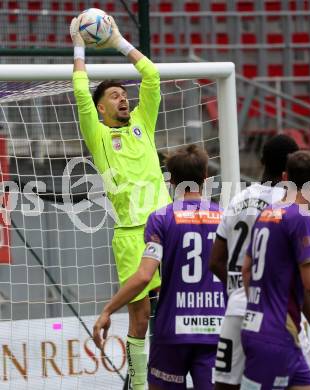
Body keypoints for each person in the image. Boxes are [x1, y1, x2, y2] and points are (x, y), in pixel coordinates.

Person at [70, 14, 170, 389]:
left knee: (182, 305)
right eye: (114, 96)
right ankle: (139, 383)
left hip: (167, 227)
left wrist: (118, 41)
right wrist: (79, 46)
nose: (123, 98)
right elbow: (81, 92)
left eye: (124, 94)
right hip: (131, 234)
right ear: (100, 109)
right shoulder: (97, 136)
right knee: (141, 317)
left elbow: (153, 76)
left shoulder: (145, 120)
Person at [93, 144, 226, 389]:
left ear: (172, 180)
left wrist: (108, 310)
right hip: (215, 330)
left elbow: (144, 276)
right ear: (206, 176)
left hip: (172, 331)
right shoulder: (224, 217)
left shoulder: (161, 218)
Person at [210, 135, 310, 389]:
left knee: (226, 385)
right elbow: (306, 280)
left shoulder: (238, 199)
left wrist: (236, 289)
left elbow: (215, 261)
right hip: (278, 312)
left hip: (239, 308)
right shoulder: (293, 207)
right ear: (287, 171)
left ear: (261, 161)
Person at [241, 150, 310, 389]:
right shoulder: (300, 217)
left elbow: (246, 269)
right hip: (278, 332)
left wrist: (257, 304)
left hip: (261, 324)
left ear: (285, 177)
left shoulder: (267, 212)